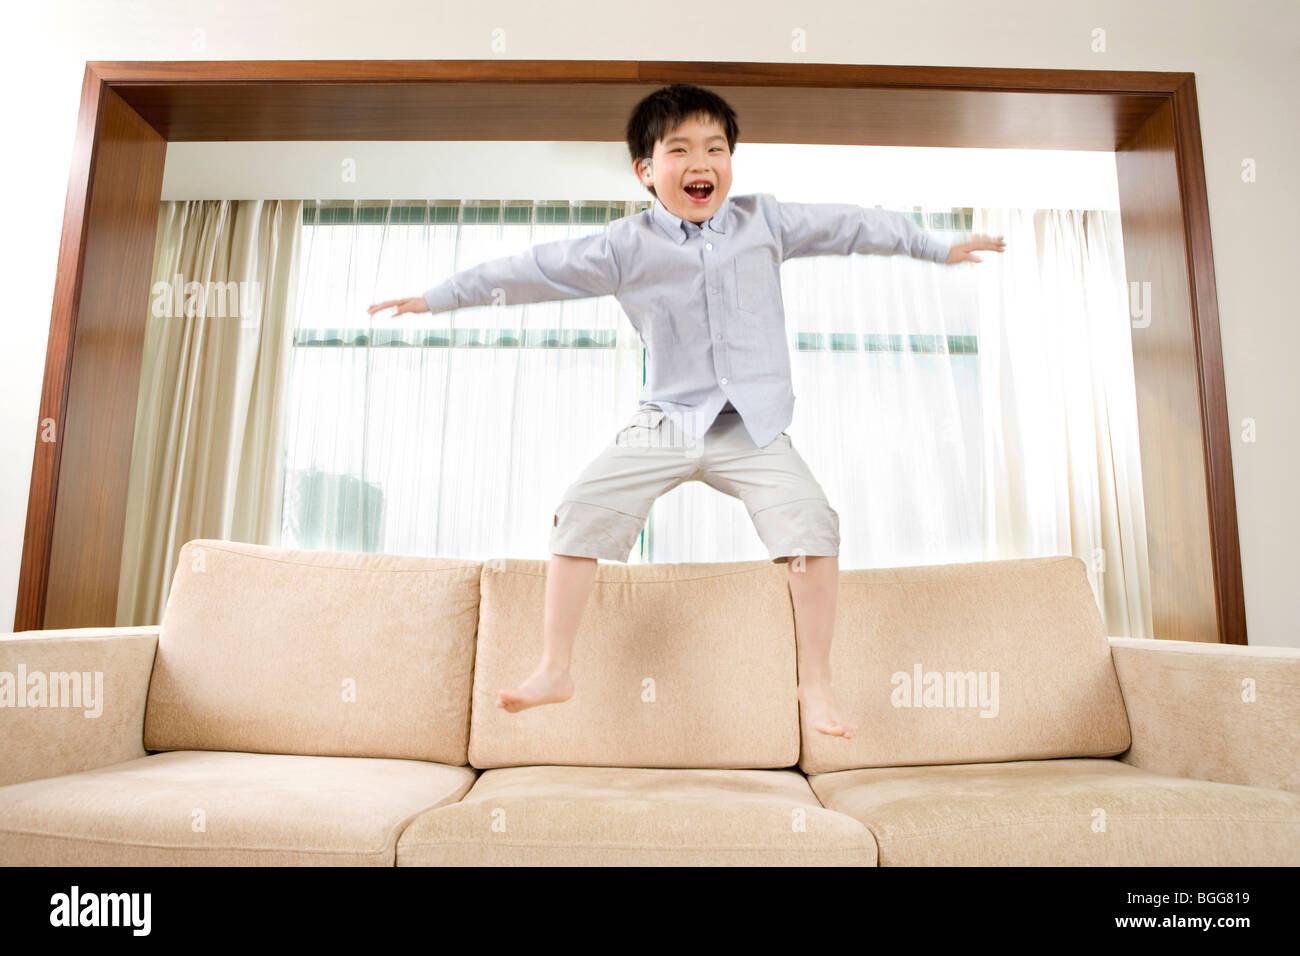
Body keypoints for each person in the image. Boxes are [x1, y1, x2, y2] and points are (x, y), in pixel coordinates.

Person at [369, 83, 1005, 738]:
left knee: (813, 527)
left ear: (730, 160)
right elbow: (532, 268)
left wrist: (935, 246)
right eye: (680, 149)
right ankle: (556, 668)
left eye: (716, 148)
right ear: (647, 169)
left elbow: (855, 225)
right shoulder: (624, 246)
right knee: (582, 509)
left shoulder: (768, 221)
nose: (702, 162)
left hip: (753, 427)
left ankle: (814, 684)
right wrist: (436, 297)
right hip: (669, 419)